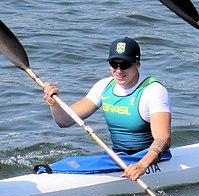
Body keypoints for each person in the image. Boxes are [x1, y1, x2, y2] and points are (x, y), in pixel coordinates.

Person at [43, 37, 171, 181]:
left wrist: (142, 165)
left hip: (147, 158)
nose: (118, 70)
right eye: (114, 63)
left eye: (125, 64)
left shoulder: (153, 90)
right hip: (118, 157)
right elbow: (64, 121)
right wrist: (54, 103)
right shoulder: (104, 86)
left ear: (137, 64)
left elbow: (163, 139)